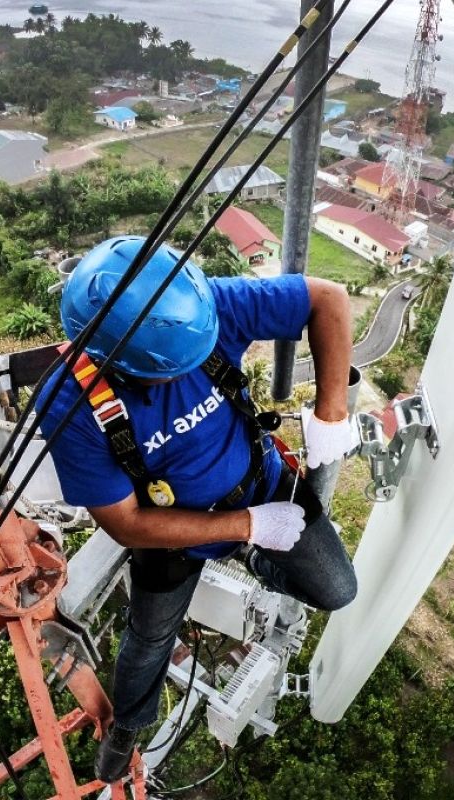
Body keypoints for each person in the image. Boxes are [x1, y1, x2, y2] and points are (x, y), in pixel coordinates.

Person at [36, 236, 358, 783]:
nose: (185, 378)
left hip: (262, 483)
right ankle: (129, 725)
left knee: (337, 590)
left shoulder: (191, 312)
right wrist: (248, 527)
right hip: (172, 535)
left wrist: (331, 411)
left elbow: (328, 299)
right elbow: (124, 523)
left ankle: (256, 558)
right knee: (149, 641)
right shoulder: (72, 403)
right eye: (171, 374)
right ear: (125, 364)